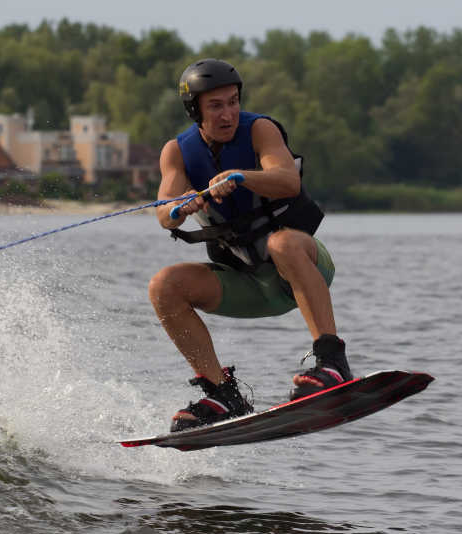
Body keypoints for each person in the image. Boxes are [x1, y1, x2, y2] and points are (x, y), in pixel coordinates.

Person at [149, 58, 353, 432]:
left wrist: (241, 178)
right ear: (195, 110)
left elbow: (287, 181)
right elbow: (164, 212)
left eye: (232, 102)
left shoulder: (260, 130)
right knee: (164, 285)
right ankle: (221, 394)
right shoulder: (176, 152)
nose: (227, 114)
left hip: (302, 267)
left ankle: (331, 362)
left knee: (282, 243)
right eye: (215, 106)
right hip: (248, 283)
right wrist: (183, 204)